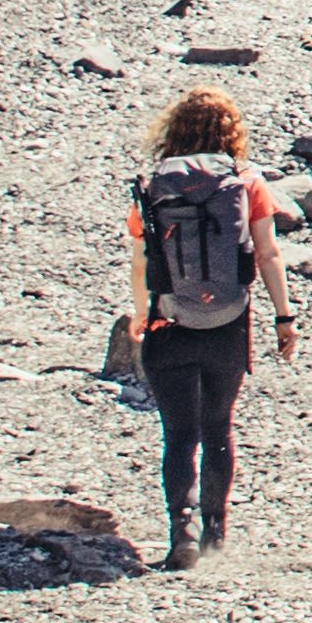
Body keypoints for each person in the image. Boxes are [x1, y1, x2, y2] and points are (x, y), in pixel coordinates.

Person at [125, 84, 292, 565]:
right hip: (228, 323)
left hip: (169, 324)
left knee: (178, 435)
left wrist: (142, 312)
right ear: (230, 133)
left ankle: (182, 531)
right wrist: (285, 318)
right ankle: (215, 535)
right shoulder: (245, 181)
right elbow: (267, 253)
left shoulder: (154, 183)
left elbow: (140, 259)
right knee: (218, 427)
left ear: (174, 130)